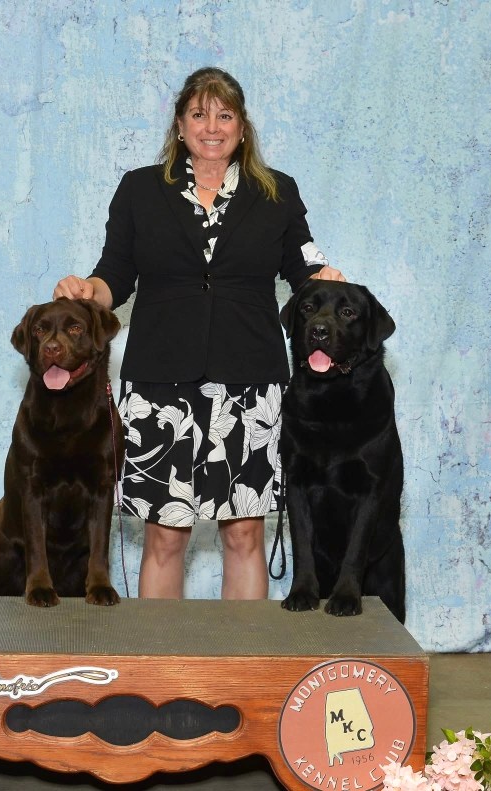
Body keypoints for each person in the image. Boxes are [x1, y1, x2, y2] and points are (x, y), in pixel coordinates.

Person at [53, 67, 344, 600]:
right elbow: (114, 274)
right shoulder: (140, 189)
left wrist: (323, 278)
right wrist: (86, 291)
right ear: (180, 125)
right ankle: (161, 656)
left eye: (224, 115)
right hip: (160, 381)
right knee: (165, 537)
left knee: (244, 534)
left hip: (251, 382)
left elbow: (305, 268)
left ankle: (241, 656)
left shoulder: (277, 191)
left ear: (242, 126)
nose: (212, 126)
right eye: (199, 114)